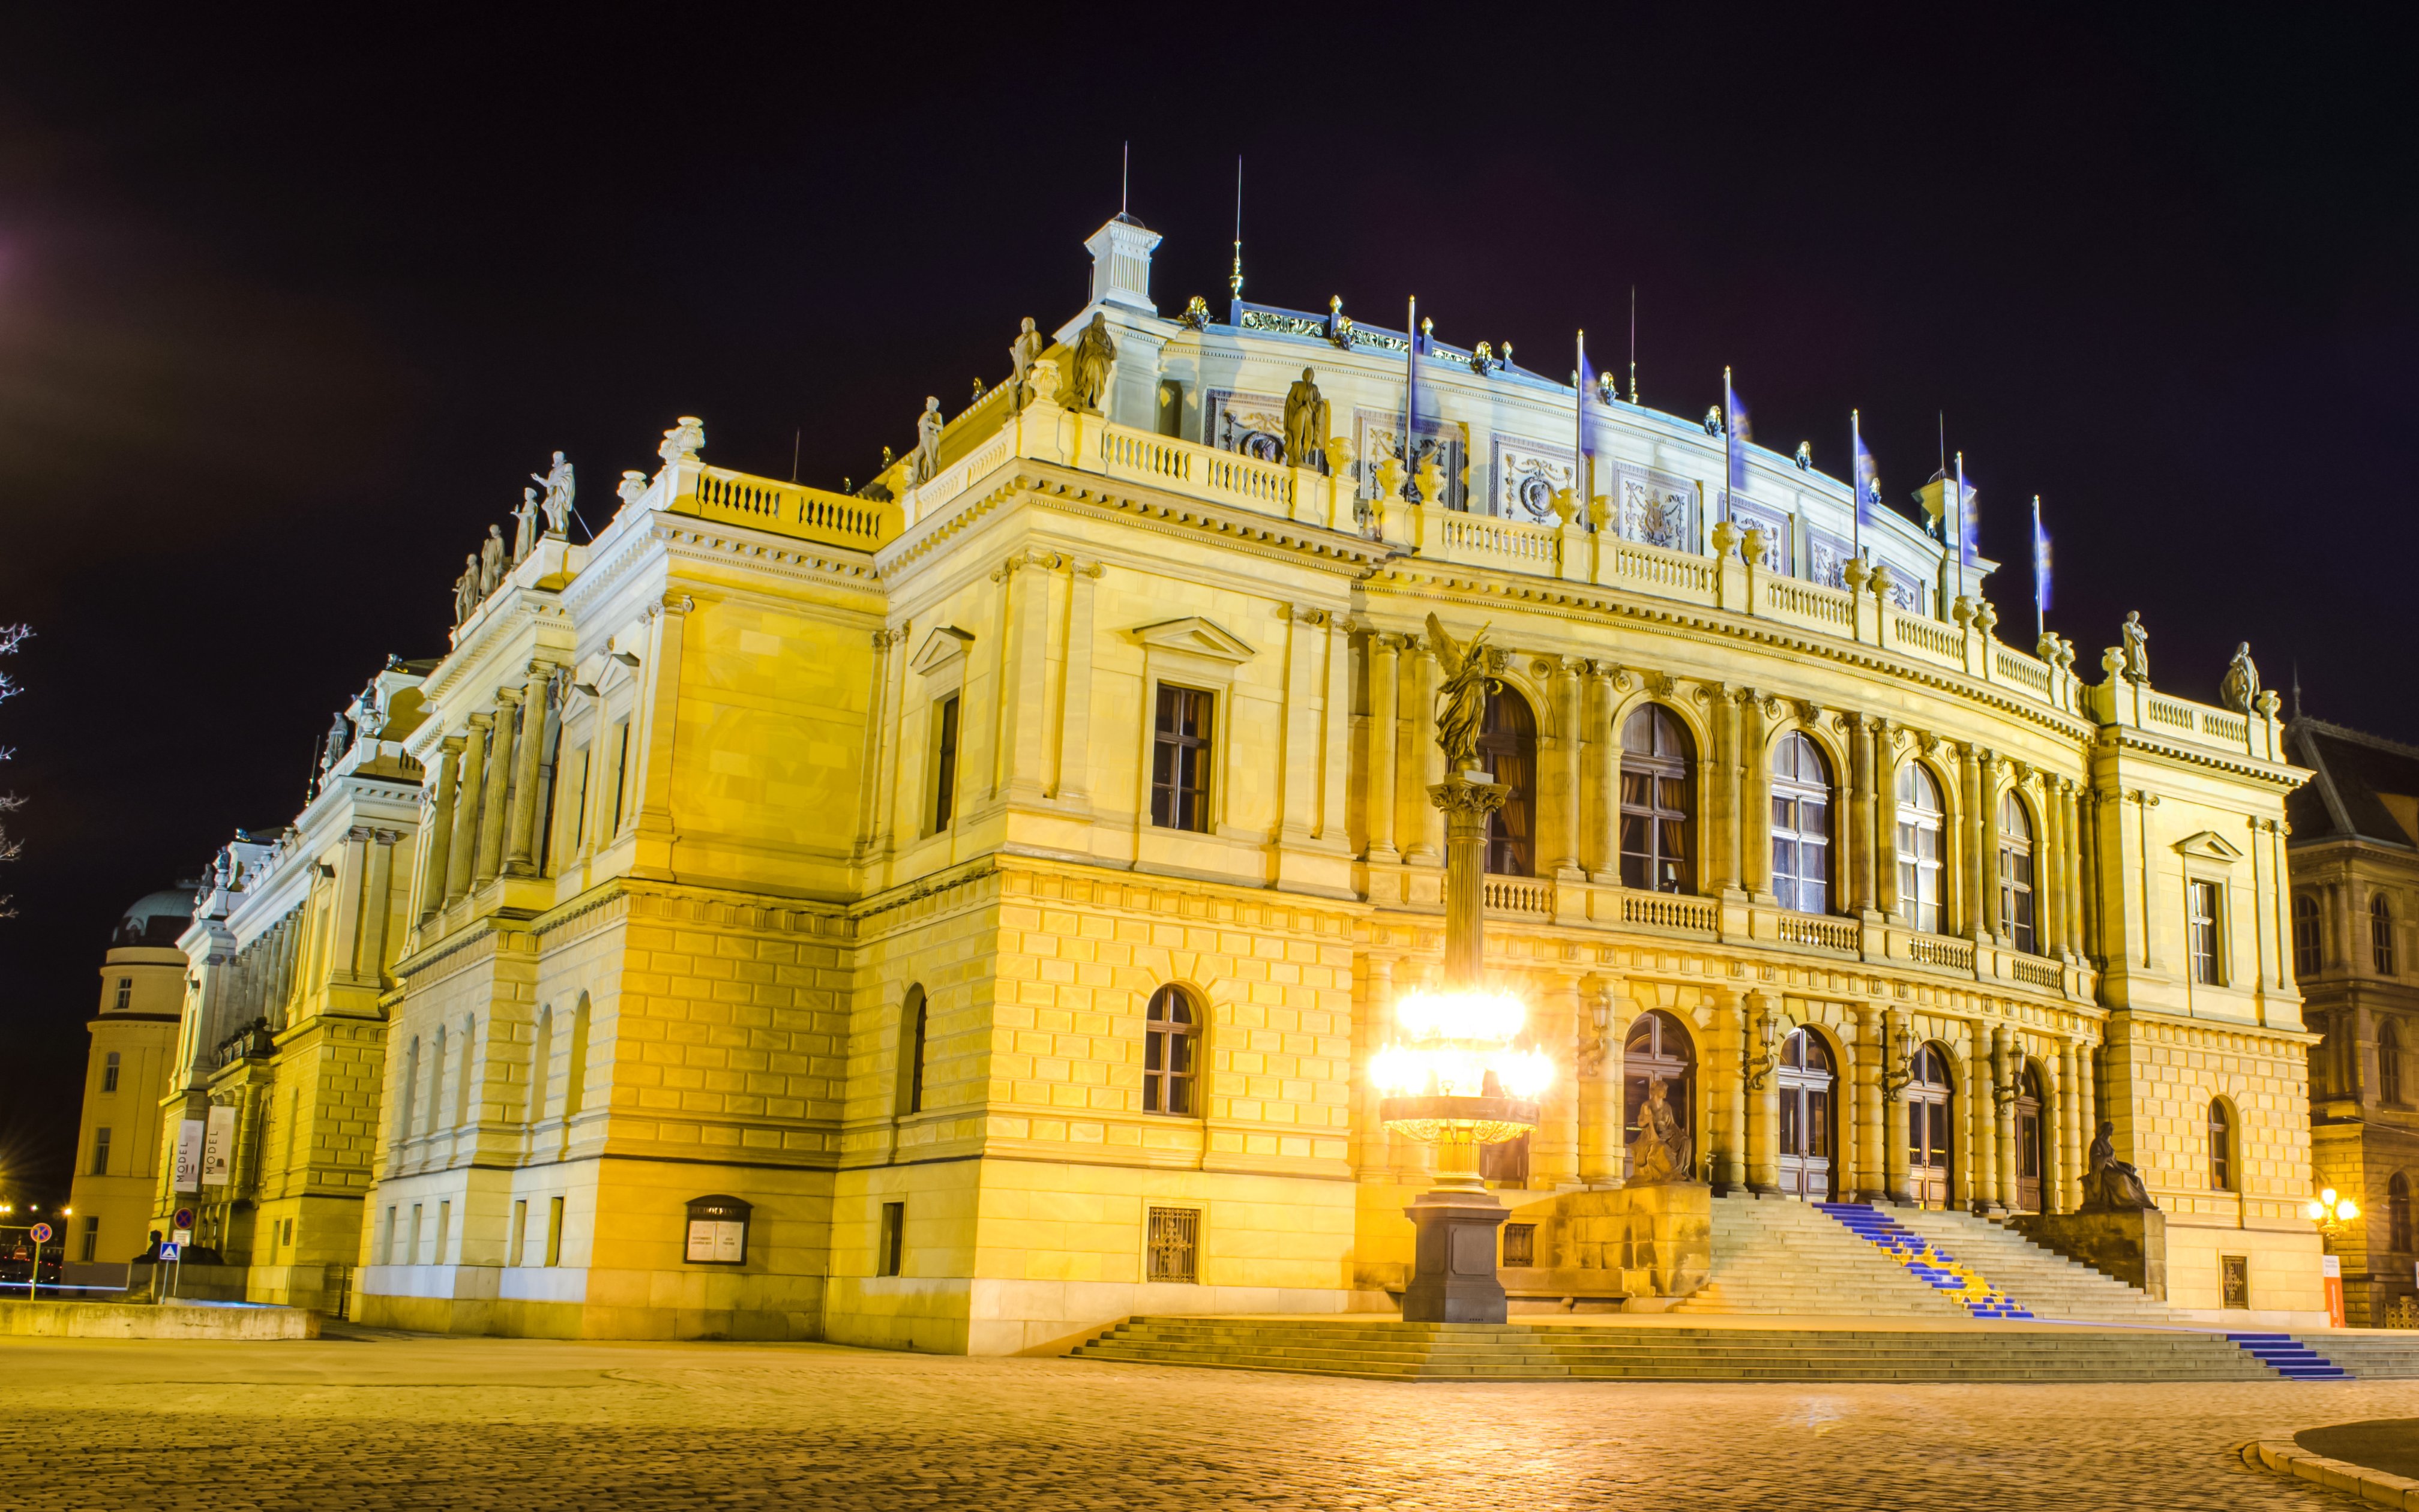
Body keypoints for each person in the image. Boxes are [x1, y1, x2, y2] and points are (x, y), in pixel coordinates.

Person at [2081, 1120, 2156, 1211]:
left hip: (2113, 1167)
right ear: (2105, 1130)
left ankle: (2144, 1203)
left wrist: (2126, 1165)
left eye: (2112, 1129)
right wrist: (2108, 1156)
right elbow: (2096, 1160)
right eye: (2110, 1129)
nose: (2111, 1132)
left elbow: (2114, 1161)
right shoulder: (2097, 1143)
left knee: (2137, 1180)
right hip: (2104, 1170)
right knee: (2122, 1177)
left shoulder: (2109, 1144)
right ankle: (2130, 1202)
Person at [1630, 1078, 1693, 1185]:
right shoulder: (1647, 1105)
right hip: (1652, 1136)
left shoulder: (1667, 1106)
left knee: (1686, 1141)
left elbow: (1672, 1124)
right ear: (1655, 1091)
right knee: (1662, 1147)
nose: (1665, 1092)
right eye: (1663, 1090)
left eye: (1666, 1090)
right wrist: (1647, 1120)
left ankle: (1682, 1171)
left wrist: (1680, 1134)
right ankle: (1673, 1174)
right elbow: (1640, 1123)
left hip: (1667, 1135)